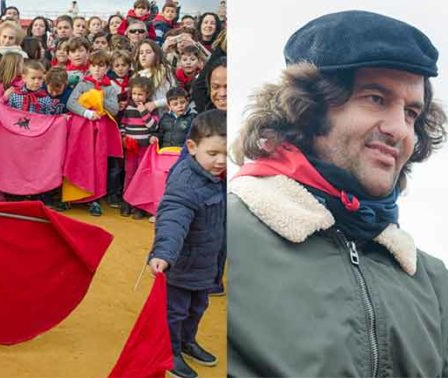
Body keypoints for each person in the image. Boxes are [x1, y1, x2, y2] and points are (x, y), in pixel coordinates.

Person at [228, 11, 448, 376]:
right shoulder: (230, 237)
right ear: (308, 110)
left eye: (411, 112)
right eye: (375, 98)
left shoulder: (433, 280)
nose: (399, 129)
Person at [148, 109, 226, 378]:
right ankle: (170, 351)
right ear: (192, 147)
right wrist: (164, 254)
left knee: (197, 307)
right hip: (181, 265)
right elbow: (173, 219)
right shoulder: (185, 181)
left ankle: (186, 342)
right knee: (175, 312)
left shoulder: (218, 178)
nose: (221, 161)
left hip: (205, 264)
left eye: (227, 154)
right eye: (213, 154)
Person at [66, 49, 120, 216]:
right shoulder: (82, 84)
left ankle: (94, 199)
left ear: (107, 68)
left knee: (98, 162)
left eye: (101, 66)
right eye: (94, 66)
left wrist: (99, 98)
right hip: (82, 129)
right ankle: (72, 196)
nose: (97, 70)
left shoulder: (110, 88)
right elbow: (70, 103)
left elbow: (115, 109)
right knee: (77, 159)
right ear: (89, 66)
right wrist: (86, 112)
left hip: (99, 132)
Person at [119, 76, 157, 219]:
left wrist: (143, 112)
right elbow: (123, 123)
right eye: (134, 93)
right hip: (131, 147)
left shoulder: (150, 109)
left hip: (144, 148)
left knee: (142, 176)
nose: (136, 97)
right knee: (129, 174)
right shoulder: (128, 108)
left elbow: (154, 126)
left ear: (147, 95)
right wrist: (123, 136)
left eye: (140, 94)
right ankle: (127, 202)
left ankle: (139, 205)